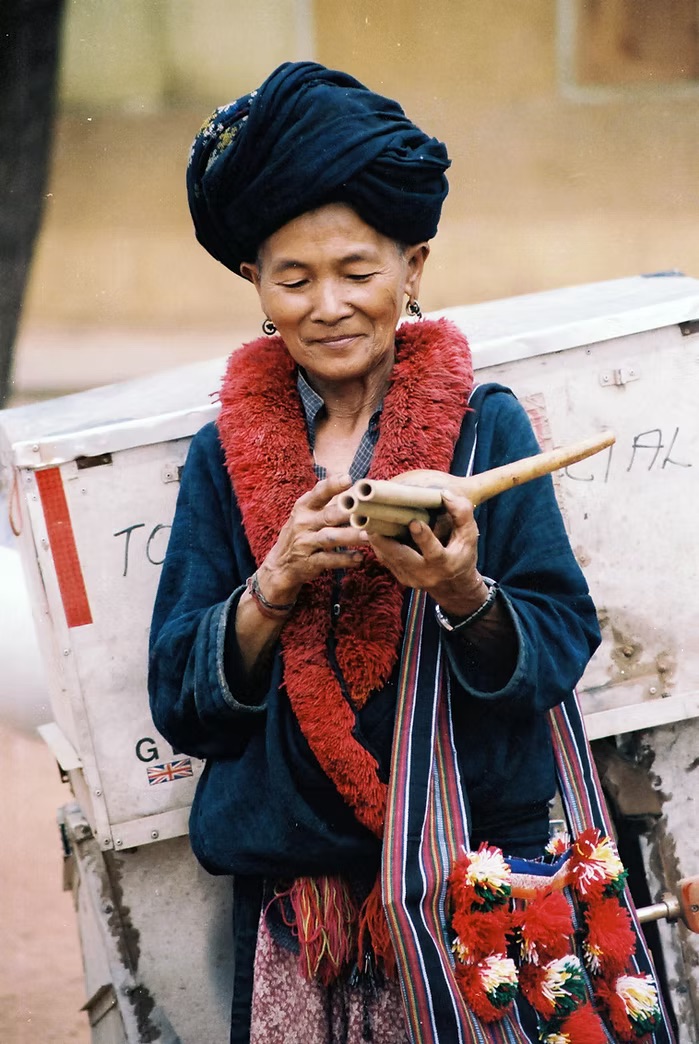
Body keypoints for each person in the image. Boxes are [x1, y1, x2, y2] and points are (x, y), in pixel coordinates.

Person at [149, 62, 672, 1044]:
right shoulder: (223, 460)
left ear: (413, 269)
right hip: (302, 922)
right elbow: (180, 700)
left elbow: (558, 647)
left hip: (477, 903)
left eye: (358, 271)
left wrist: (463, 589)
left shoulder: (485, 429)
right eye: (294, 278)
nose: (329, 304)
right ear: (256, 283)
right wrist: (272, 586)